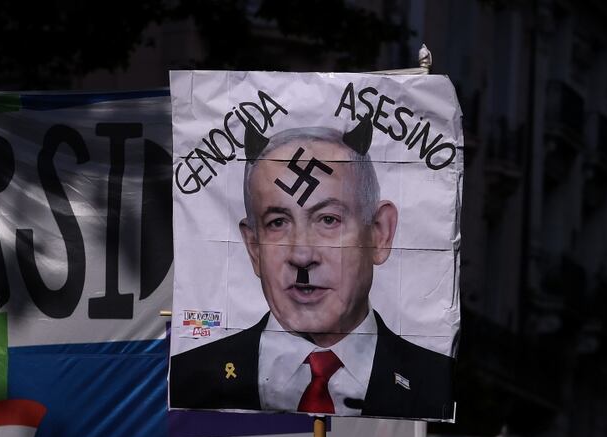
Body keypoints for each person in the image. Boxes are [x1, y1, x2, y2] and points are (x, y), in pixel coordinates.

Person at [169, 124, 455, 420]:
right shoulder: (189, 381)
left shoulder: (436, 386)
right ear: (254, 247)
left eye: (328, 220)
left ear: (379, 235)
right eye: (278, 223)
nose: (302, 256)